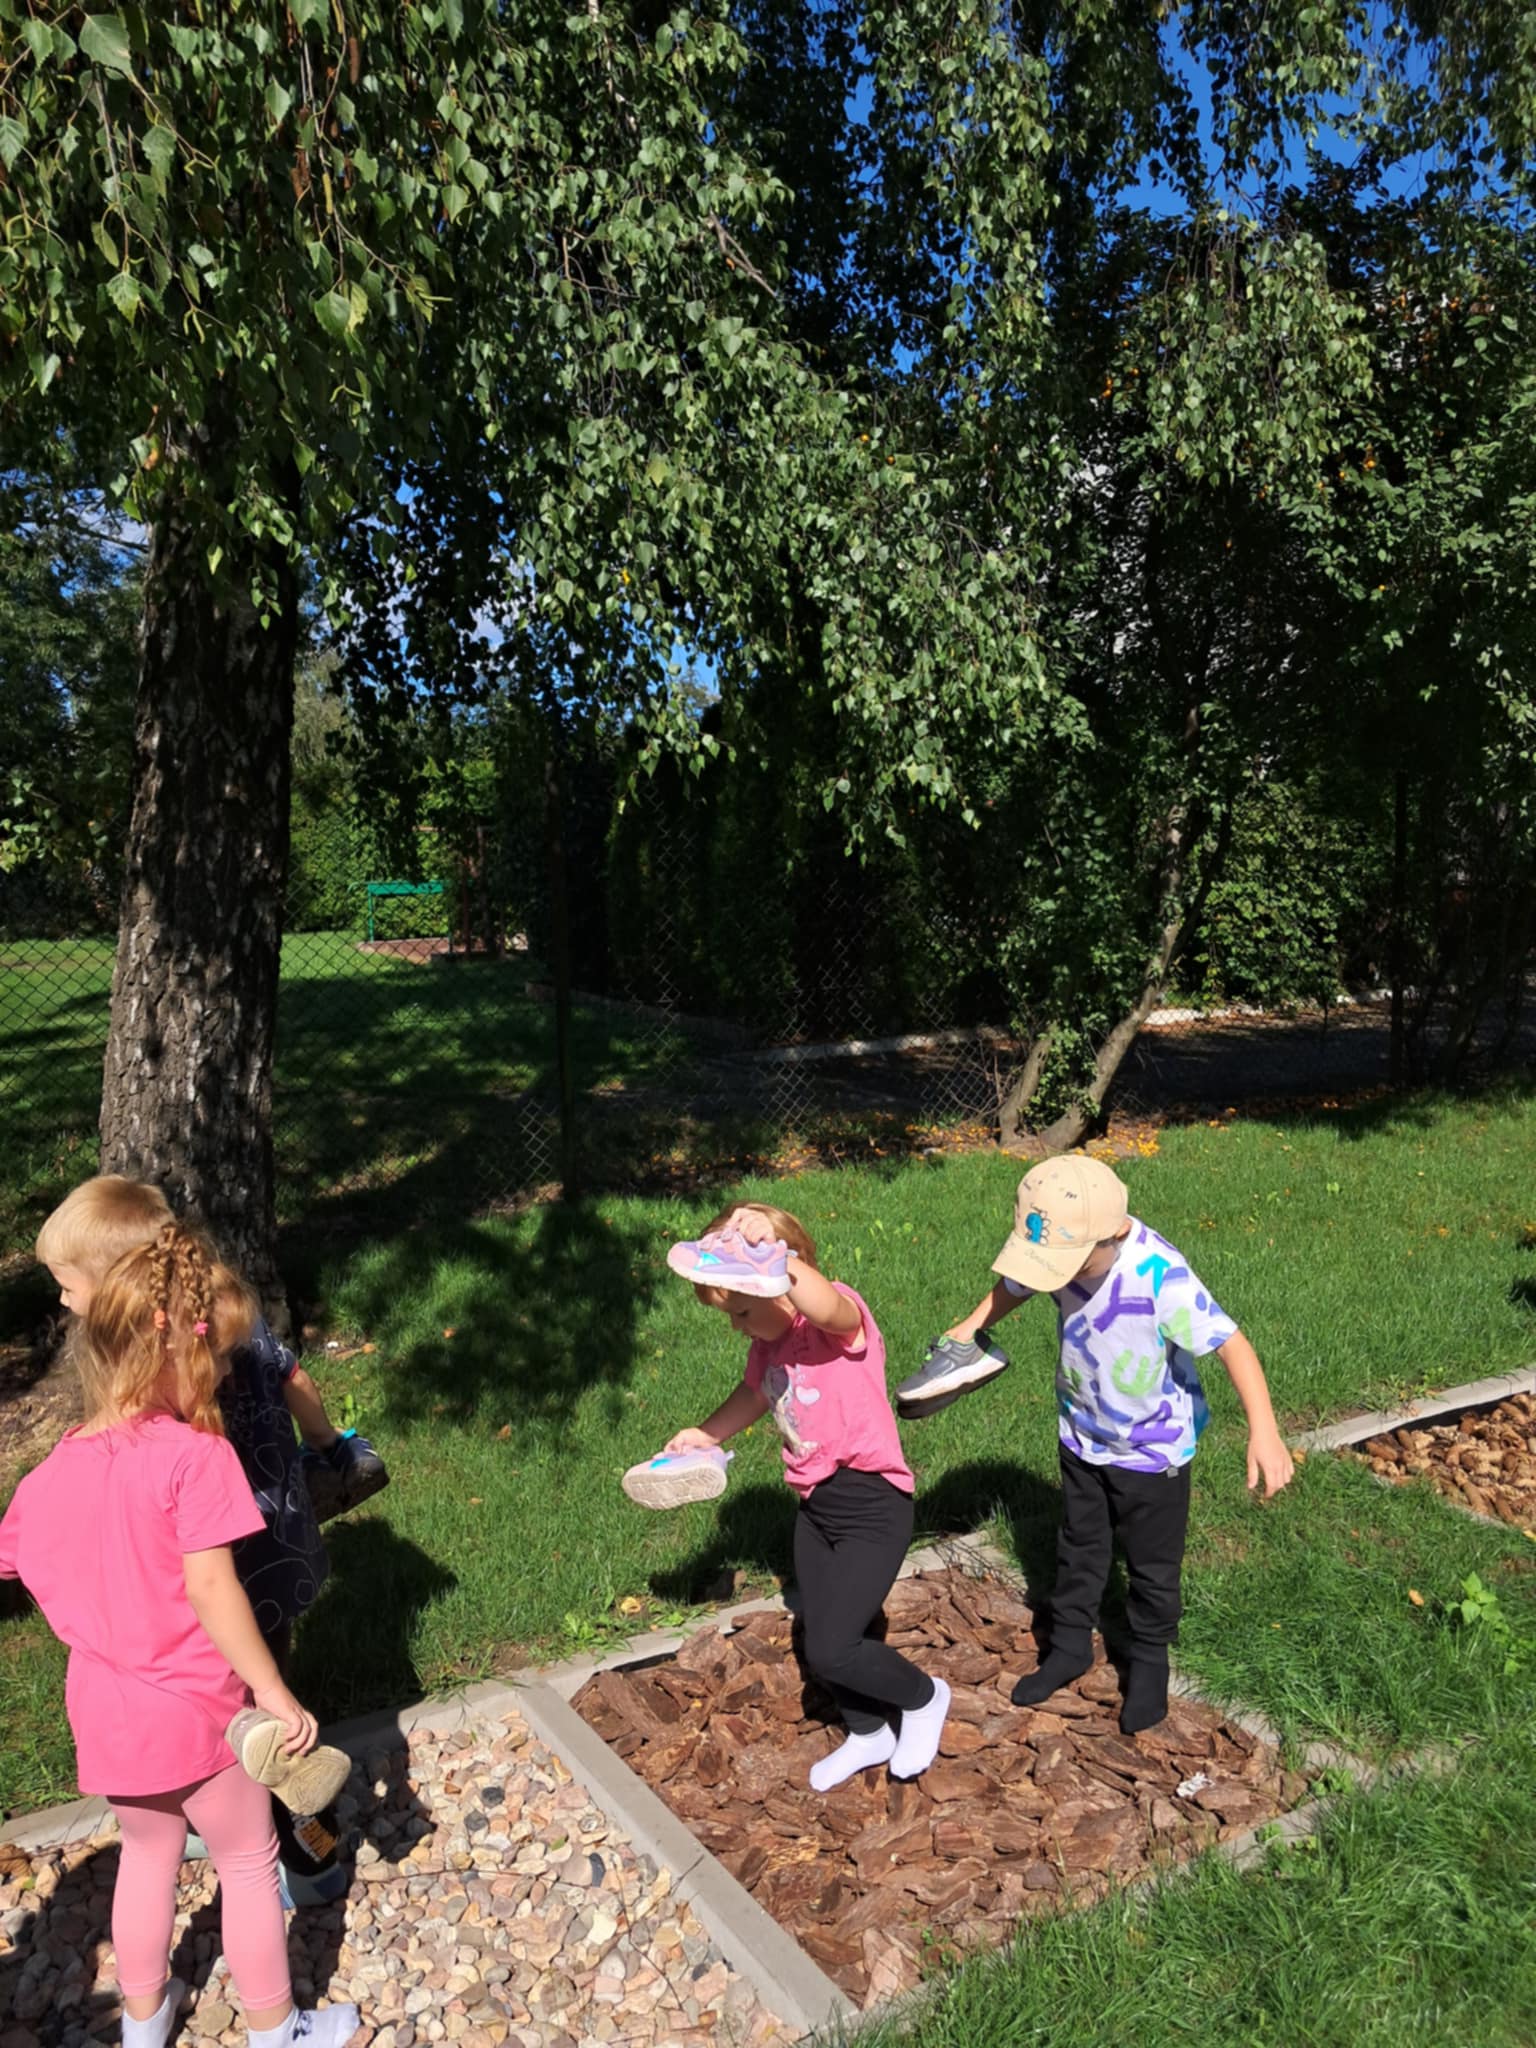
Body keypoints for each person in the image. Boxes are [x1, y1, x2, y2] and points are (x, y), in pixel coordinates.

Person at [0, 1223, 361, 2048]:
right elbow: (211, 1586)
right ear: (174, 1355)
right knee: (247, 1862)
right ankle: (276, 2028)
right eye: (218, 1358)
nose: (229, 1373)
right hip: (201, 1711)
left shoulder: (50, 1471)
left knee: (146, 1857)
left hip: (105, 1713)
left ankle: (143, 2019)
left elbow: (13, 1556)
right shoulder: (196, 1458)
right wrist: (271, 1689)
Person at [37, 1175, 385, 1892]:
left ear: (127, 1292)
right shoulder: (230, 1311)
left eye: (68, 1286)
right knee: (272, 1701)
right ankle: (283, 1838)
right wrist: (331, 1445)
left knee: (264, 1724)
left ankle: (301, 1850)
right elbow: (295, 1379)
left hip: (223, 1577)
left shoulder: (164, 1373)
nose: (64, 1302)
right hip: (280, 1552)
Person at [922, 1154, 1294, 1734]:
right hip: (1083, 1432)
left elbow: (1232, 1345)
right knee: (1079, 1546)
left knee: (1151, 1568)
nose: (1054, 1275)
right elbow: (1017, 1284)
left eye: (1063, 1264)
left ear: (1115, 1233)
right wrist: (970, 1327)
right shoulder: (1062, 1247)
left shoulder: (1160, 1276)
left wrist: (1264, 1430)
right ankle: (1069, 1645)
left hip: (1154, 1453)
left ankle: (1149, 1662)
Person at [662, 1201, 951, 1790]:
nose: (738, 1326)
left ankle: (923, 1698)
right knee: (819, 1624)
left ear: (779, 1286)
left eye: (743, 1311)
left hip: (872, 1505)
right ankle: (868, 1731)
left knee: (833, 1647)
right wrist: (707, 1434)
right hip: (817, 1507)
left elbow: (827, 1306)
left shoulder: (836, 1321)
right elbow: (754, 1395)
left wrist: (779, 1258)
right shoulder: (768, 1347)